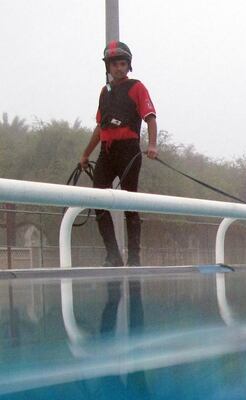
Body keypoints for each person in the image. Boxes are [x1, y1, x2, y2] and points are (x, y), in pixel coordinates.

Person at [79, 41, 158, 266]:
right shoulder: (105, 92)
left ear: (128, 65)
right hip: (106, 152)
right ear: (108, 67)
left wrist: (152, 145)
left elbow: (150, 118)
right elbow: (99, 127)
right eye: (114, 64)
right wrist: (85, 154)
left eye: (123, 64)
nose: (119, 68)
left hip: (129, 151)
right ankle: (113, 254)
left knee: (129, 203)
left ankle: (134, 257)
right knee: (98, 201)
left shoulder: (137, 87)